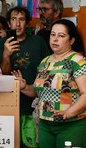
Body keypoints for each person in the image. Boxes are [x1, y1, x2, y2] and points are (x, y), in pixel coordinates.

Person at [13, 19, 86, 148]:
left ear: (72, 40)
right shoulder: (45, 62)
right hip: (45, 125)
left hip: (71, 125)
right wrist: (24, 87)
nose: (55, 39)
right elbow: (38, 92)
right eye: (53, 34)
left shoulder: (77, 61)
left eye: (61, 36)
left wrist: (69, 113)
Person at [0, 6, 50, 147]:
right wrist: (6, 55)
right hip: (10, 104)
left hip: (34, 104)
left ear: (28, 23)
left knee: (33, 144)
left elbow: (47, 71)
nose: (17, 24)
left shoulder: (38, 42)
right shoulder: (1, 44)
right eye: (13, 19)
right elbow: (2, 77)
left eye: (21, 20)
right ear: (8, 23)